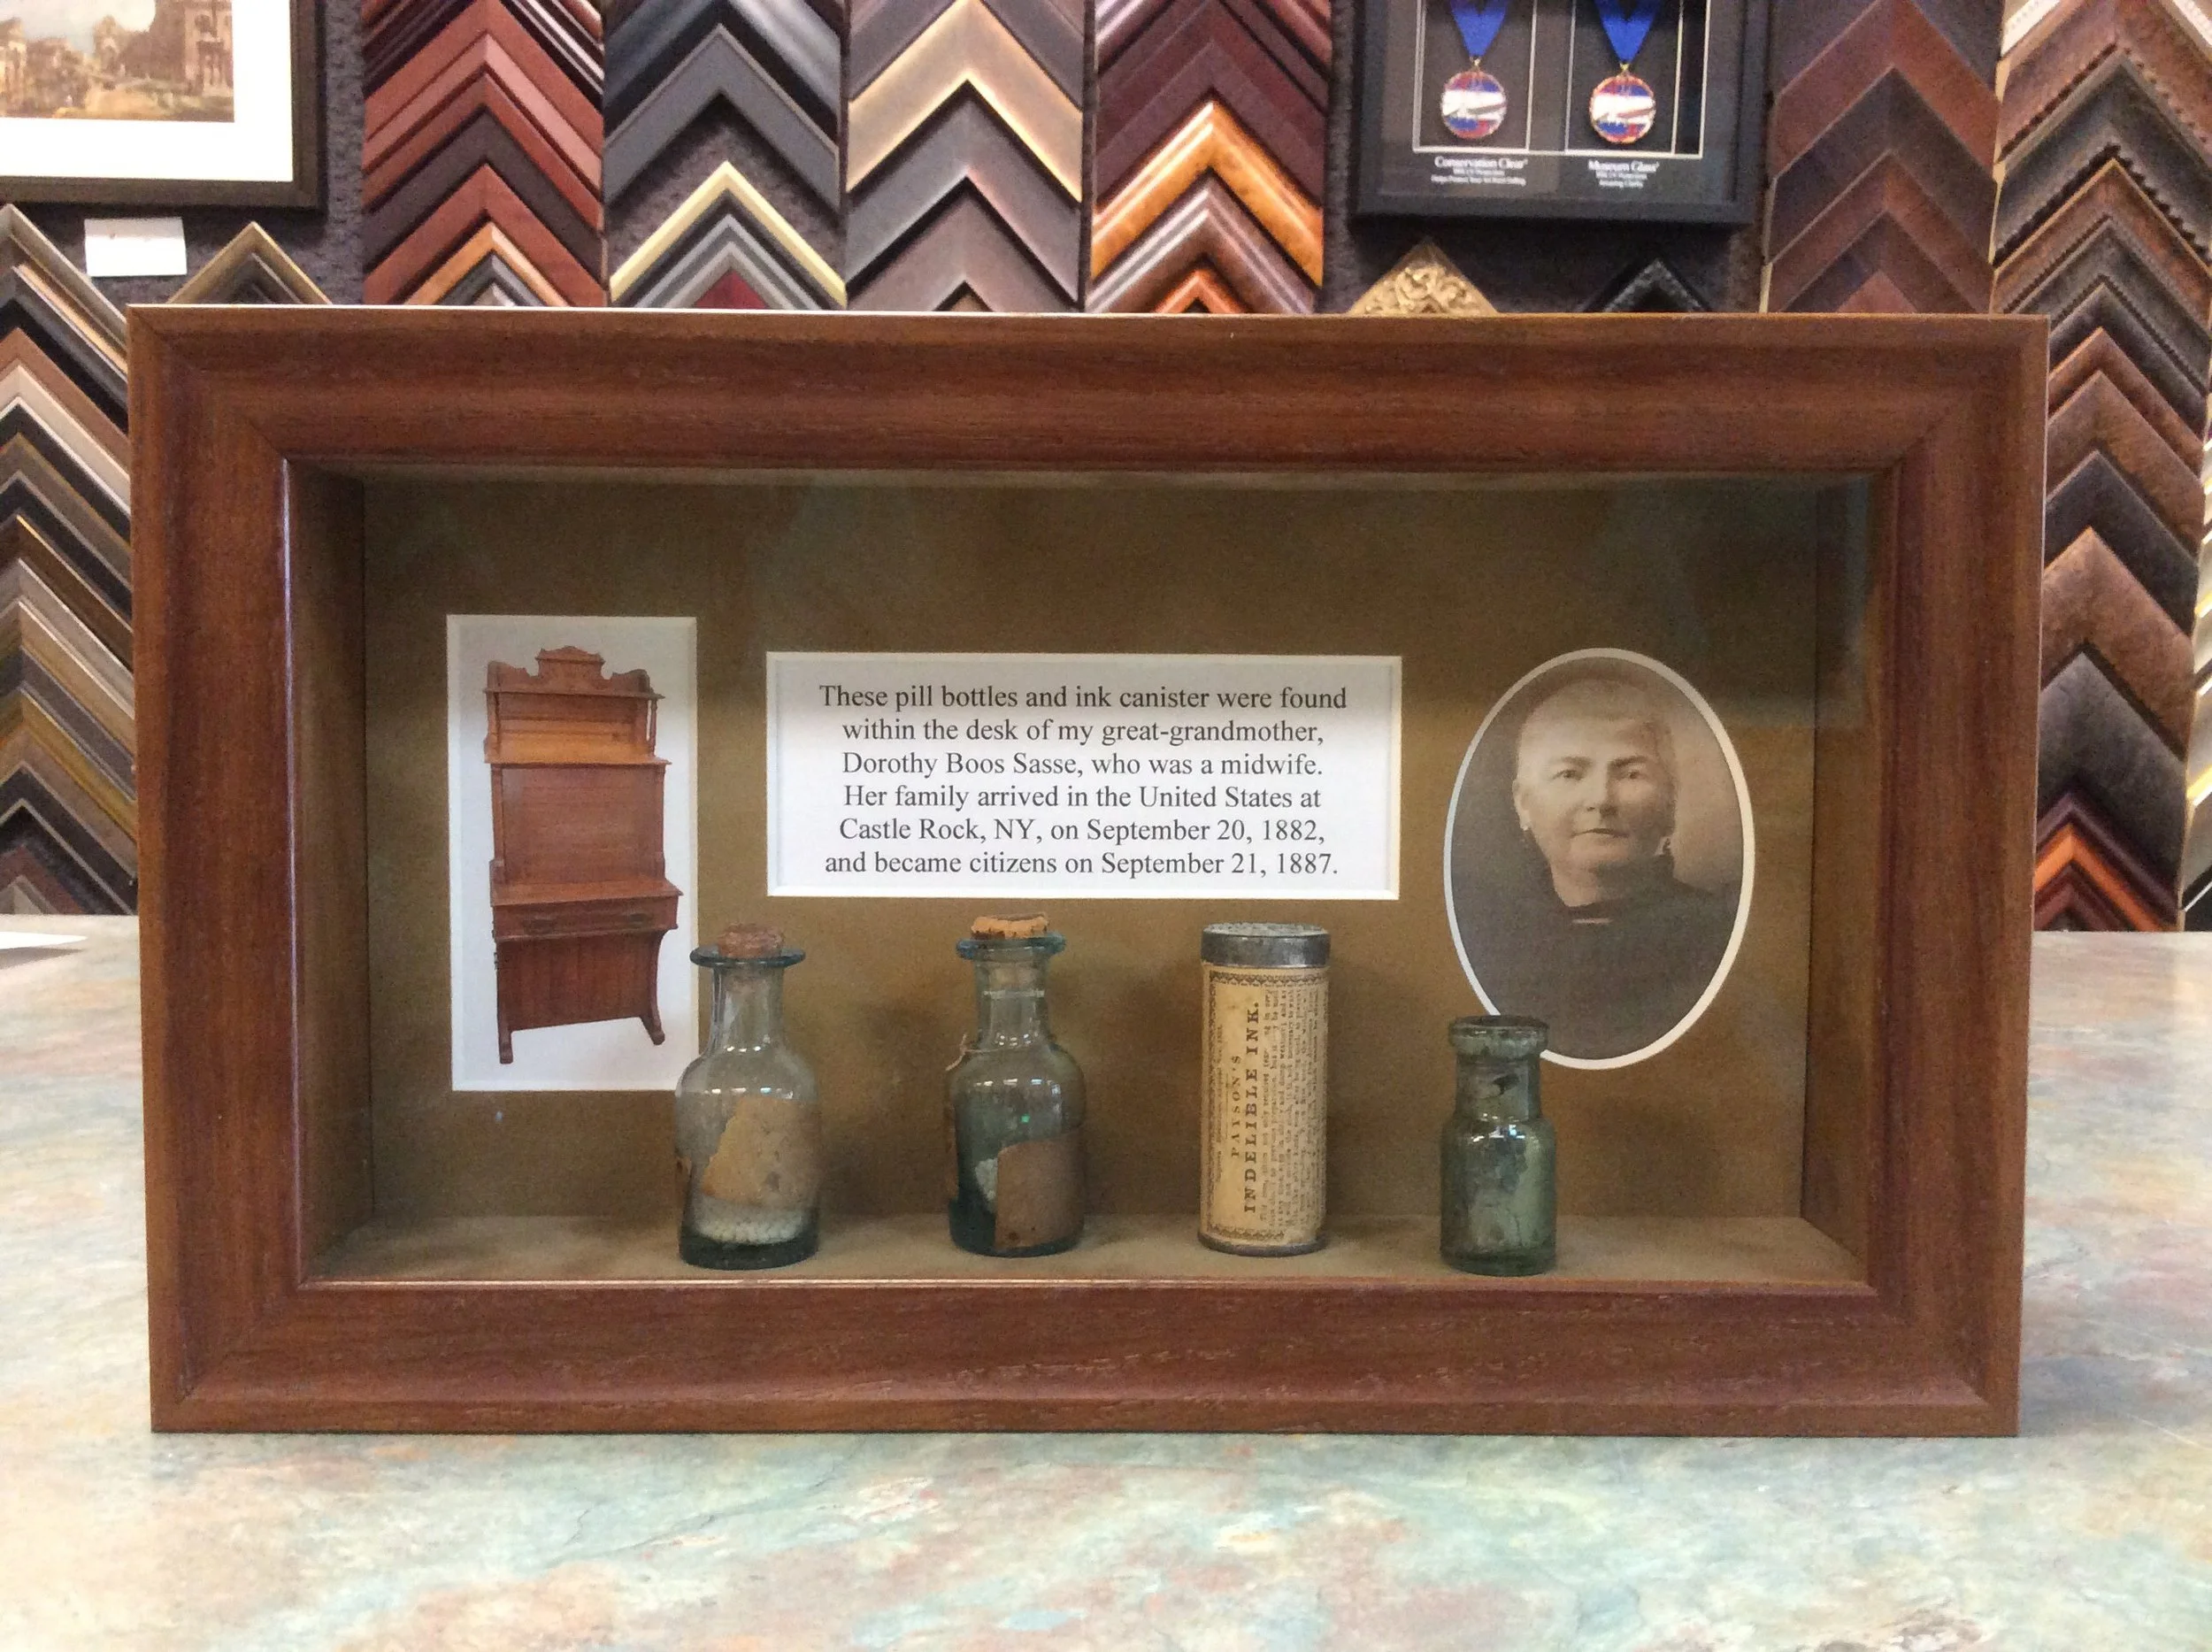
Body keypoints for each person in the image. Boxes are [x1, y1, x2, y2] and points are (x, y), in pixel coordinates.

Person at [1458, 670, 1738, 1061]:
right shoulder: (1492, 935)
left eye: (1631, 774)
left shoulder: (1714, 933)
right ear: (1523, 804)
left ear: (1670, 803)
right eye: (1570, 774)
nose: (1601, 800)